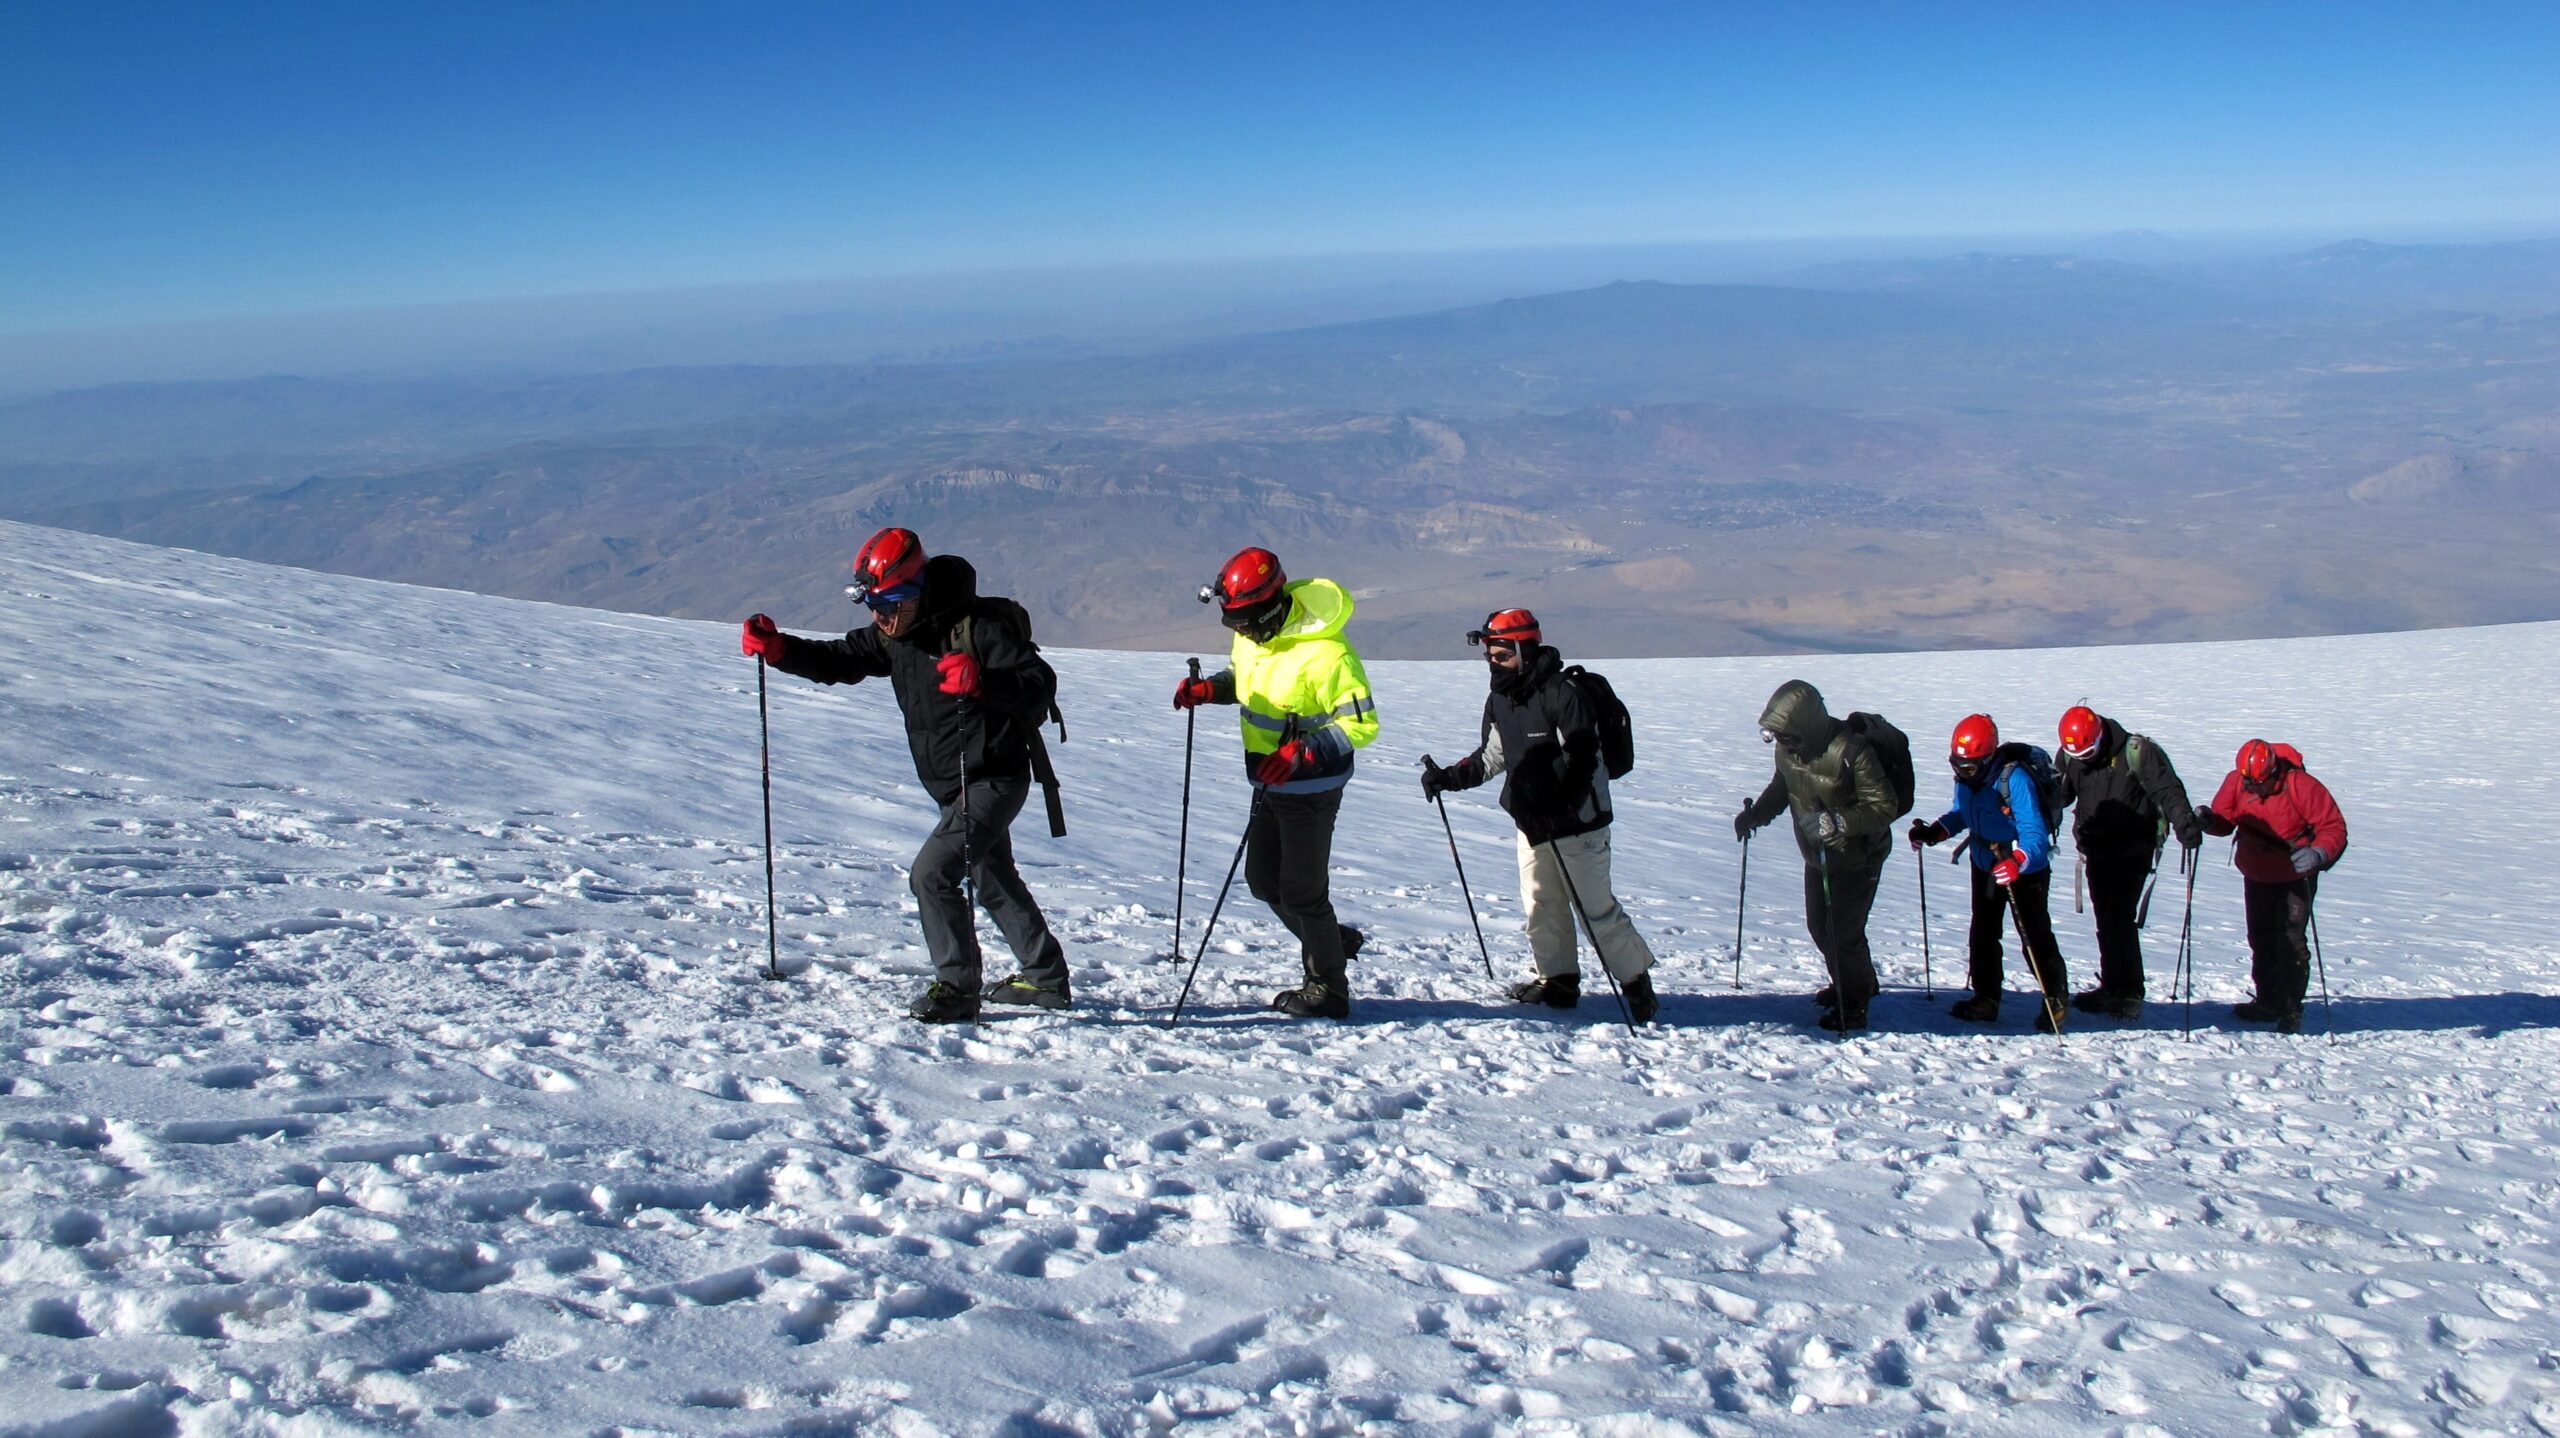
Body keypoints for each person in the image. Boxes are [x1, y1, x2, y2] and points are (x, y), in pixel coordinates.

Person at [741, 526, 1073, 1024]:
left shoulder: (976, 629)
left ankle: (958, 989)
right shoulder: (895, 637)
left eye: (890, 604)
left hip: (994, 778)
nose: (881, 616)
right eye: (874, 605)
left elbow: (1038, 683)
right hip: (951, 784)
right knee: (990, 873)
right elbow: (841, 660)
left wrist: (981, 681)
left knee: (932, 875)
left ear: (917, 591)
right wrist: (779, 649)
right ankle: (1045, 978)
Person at [1421, 609, 1659, 1023]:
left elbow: (1586, 760)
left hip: (1580, 825)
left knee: (1595, 911)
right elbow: (1493, 755)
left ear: (1525, 650)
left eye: (1501, 655)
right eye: (1489, 656)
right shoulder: (1501, 699)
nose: (1493, 663)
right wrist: (1449, 778)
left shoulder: (1563, 694)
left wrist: (1564, 807)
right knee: (1541, 905)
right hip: (1532, 824)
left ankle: (1637, 984)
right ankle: (1558, 981)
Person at [1174, 547, 1379, 1019]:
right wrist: (1211, 689)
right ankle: (1330, 941)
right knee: (1264, 880)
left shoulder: (1327, 653)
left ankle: (1328, 988)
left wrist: (1301, 752)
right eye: (1233, 622)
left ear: (1268, 608)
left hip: (1312, 788)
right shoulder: (1253, 639)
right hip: (1268, 779)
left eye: (1244, 622)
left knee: (1303, 891)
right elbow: (1246, 680)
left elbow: (1362, 724)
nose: (1239, 631)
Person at [1732, 680, 1898, 1032]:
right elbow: (1783, 788)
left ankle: (1854, 1004)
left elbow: (1884, 806)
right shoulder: (1789, 752)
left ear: (1807, 727)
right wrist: (1756, 816)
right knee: (1820, 928)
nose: (1783, 743)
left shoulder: (1853, 751)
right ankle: (1854, 982)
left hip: (1858, 857)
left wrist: (1838, 821)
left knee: (1844, 933)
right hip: (1817, 855)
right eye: (1778, 737)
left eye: (1788, 736)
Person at [1908, 714, 2070, 1031]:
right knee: (1983, 932)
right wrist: (1935, 832)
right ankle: (1986, 998)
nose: (1961, 772)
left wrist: (2017, 860)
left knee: (2033, 934)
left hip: (2024, 869)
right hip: (1984, 862)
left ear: (1987, 758)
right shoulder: (1967, 780)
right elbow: (1962, 813)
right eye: (1956, 764)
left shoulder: (2015, 780)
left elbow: (2034, 832)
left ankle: (2055, 999)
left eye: (1968, 767)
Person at [2055, 705, 2203, 1020]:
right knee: (2107, 918)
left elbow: (2167, 790)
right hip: (2096, 848)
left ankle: (2129, 993)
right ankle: (2113, 986)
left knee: (2119, 917)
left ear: (2100, 737)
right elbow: (2060, 794)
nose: (2084, 759)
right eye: (2078, 755)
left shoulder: (2137, 752)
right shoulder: (2071, 756)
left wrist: (2184, 824)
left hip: (2133, 850)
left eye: (2088, 753)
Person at [2196, 739, 2347, 1035]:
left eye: (2259, 782)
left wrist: (2318, 854)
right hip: (2256, 872)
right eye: (2249, 781)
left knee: (2291, 942)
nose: (2254, 787)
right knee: (2261, 938)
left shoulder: (2301, 786)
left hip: (2295, 875)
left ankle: (2290, 1007)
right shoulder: (2236, 781)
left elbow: (2333, 827)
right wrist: (2208, 821)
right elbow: (2225, 821)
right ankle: (2268, 1001)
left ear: (2274, 771)